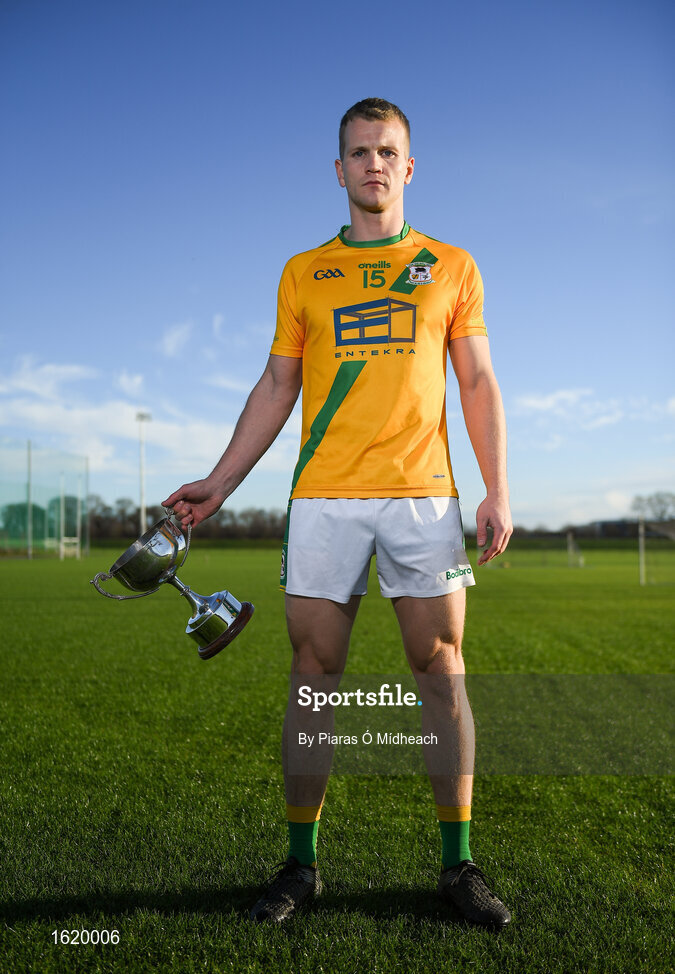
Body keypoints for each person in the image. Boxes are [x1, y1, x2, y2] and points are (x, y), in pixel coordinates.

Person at [163, 97, 513, 929]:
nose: (373, 164)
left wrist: (496, 486)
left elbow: (475, 380)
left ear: (408, 165)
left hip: (425, 498)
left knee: (442, 669)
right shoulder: (303, 272)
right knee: (312, 677)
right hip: (322, 498)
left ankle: (458, 865)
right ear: (338, 168)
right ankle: (301, 865)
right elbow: (276, 385)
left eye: (386, 151)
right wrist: (220, 482)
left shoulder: (451, 265)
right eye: (359, 152)